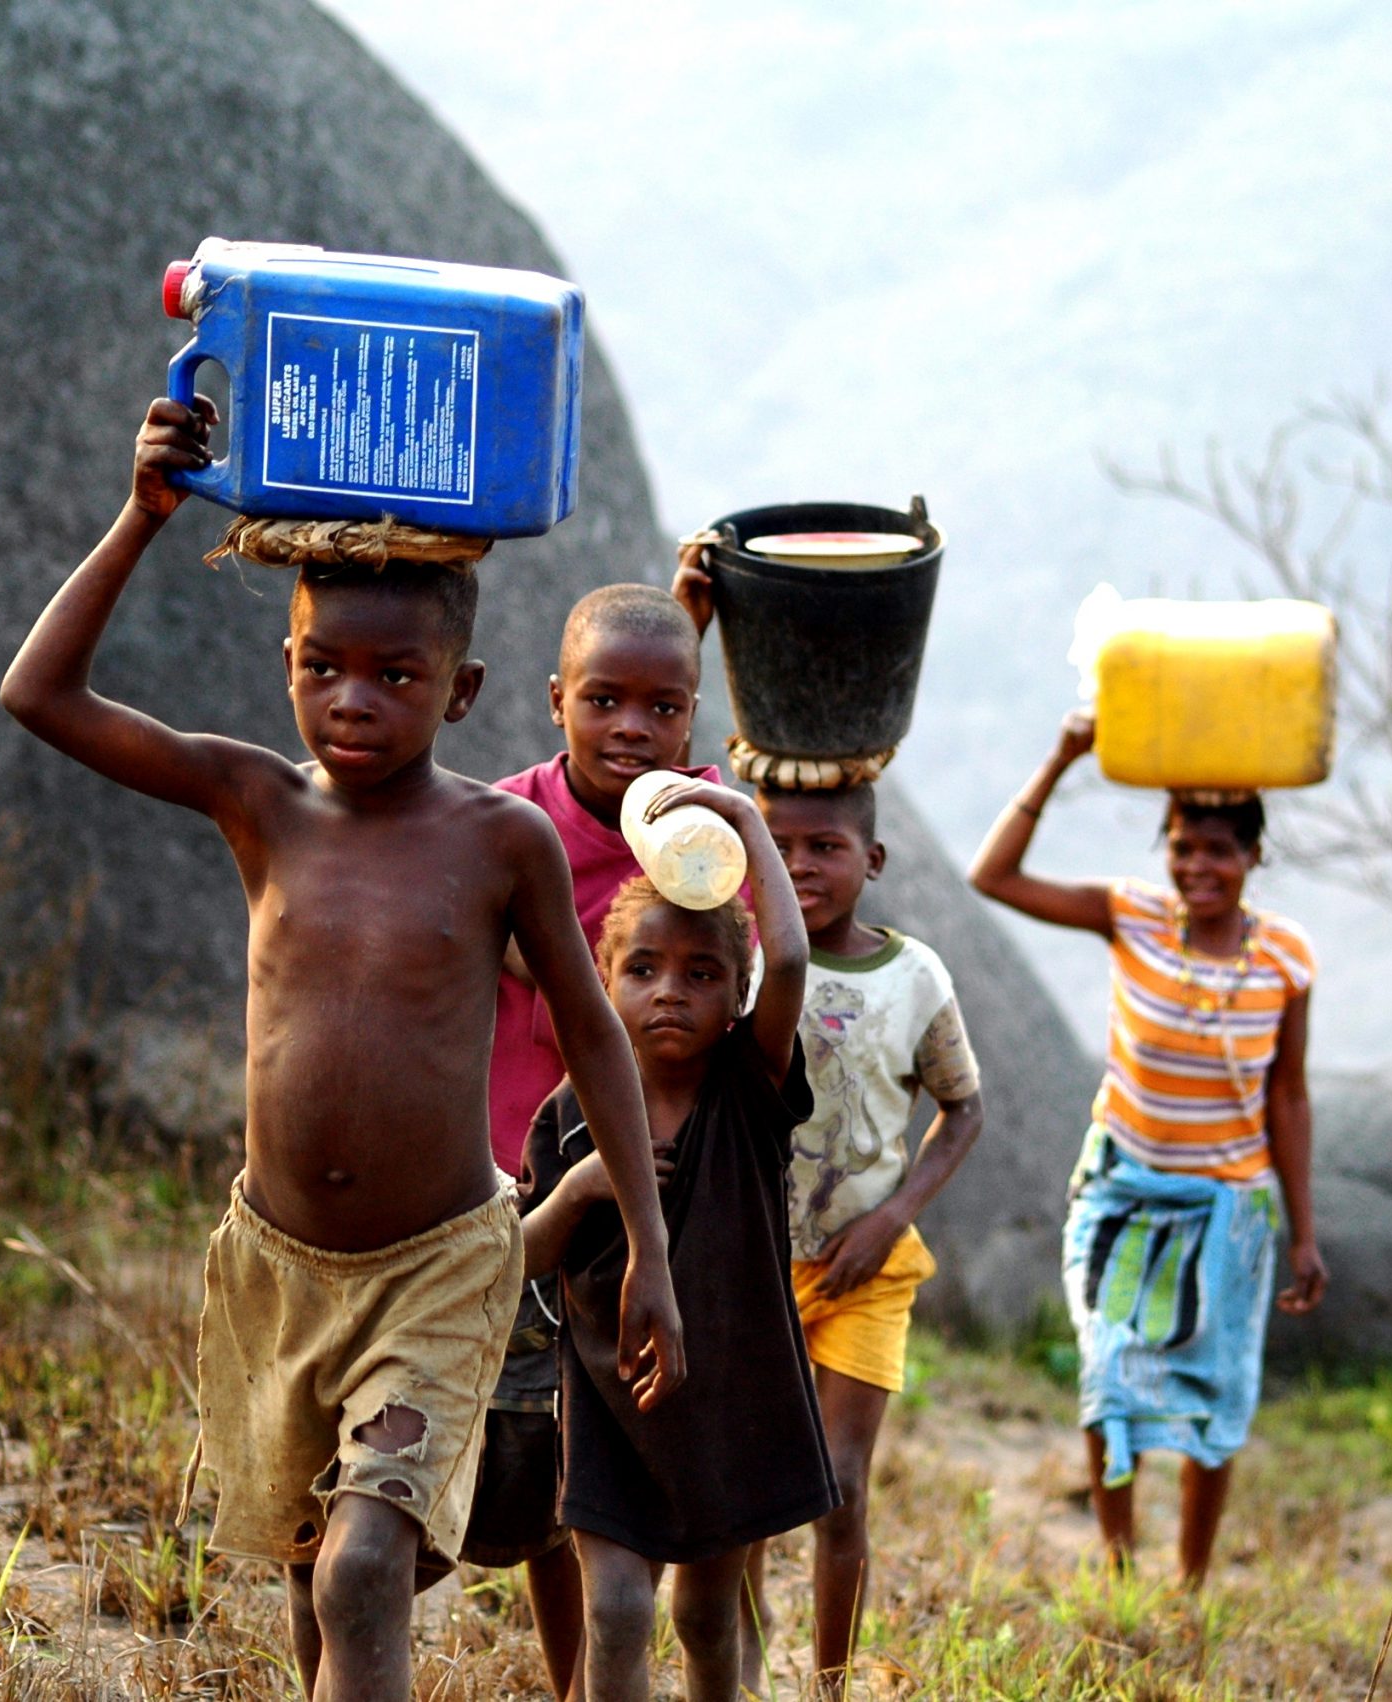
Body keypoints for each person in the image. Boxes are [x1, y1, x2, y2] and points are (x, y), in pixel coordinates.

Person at [0, 397, 684, 1702]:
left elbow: (593, 1031)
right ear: (287, 661)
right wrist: (145, 515)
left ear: (463, 690)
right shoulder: (257, 801)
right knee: (318, 1587)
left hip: (438, 1266)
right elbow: (39, 693)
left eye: (397, 675)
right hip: (278, 1271)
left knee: (365, 1570)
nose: (353, 700)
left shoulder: (498, 841)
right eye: (323, 666)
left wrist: (648, 1243)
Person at [968, 706, 1326, 1588]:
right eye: (1183, 847)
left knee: (1219, 1393)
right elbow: (993, 876)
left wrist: (1305, 1232)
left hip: (1229, 1206)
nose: (1198, 867)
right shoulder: (1129, 916)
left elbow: (1289, 1093)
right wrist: (1062, 757)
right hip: (1123, 1189)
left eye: (1219, 851)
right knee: (1109, 1373)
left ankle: (1193, 1583)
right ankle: (1119, 1564)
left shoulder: (1284, 959)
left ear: (1252, 857)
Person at [520, 783, 837, 1702]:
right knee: (616, 1612)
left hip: (733, 1394)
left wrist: (745, 823)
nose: (670, 991)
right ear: (601, 978)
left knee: (707, 1614)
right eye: (644, 968)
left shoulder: (750, 1089)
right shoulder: (573, 1113)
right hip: (611, 1399)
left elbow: (790, 959)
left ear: (736, 997)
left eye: (702, 974)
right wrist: (584, 1187)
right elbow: (523, 1258)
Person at [467, 580, 722, 1696]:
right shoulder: (508, 818)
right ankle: (568, 1665)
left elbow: (737, 955)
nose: (631, 728)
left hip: (653, 1188)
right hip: (512, 1169)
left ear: (692, 717)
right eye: (604, 701)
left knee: (606, 1451)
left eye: (661, 708)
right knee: (531, 1441)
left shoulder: (697, 830)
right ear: (555, 701)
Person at [739, 781, 987, 1697]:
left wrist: (892, 1217)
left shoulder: (914, 976)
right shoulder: (741, 959)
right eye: (782, 846)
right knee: (751, 1486)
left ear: (872, 860)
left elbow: (963, 1109)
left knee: (838, 1484)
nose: (801, 866)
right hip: (751, 1264)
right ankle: (746, 1672)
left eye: (826, 847)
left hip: (865, 1273)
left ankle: (831, 1682)